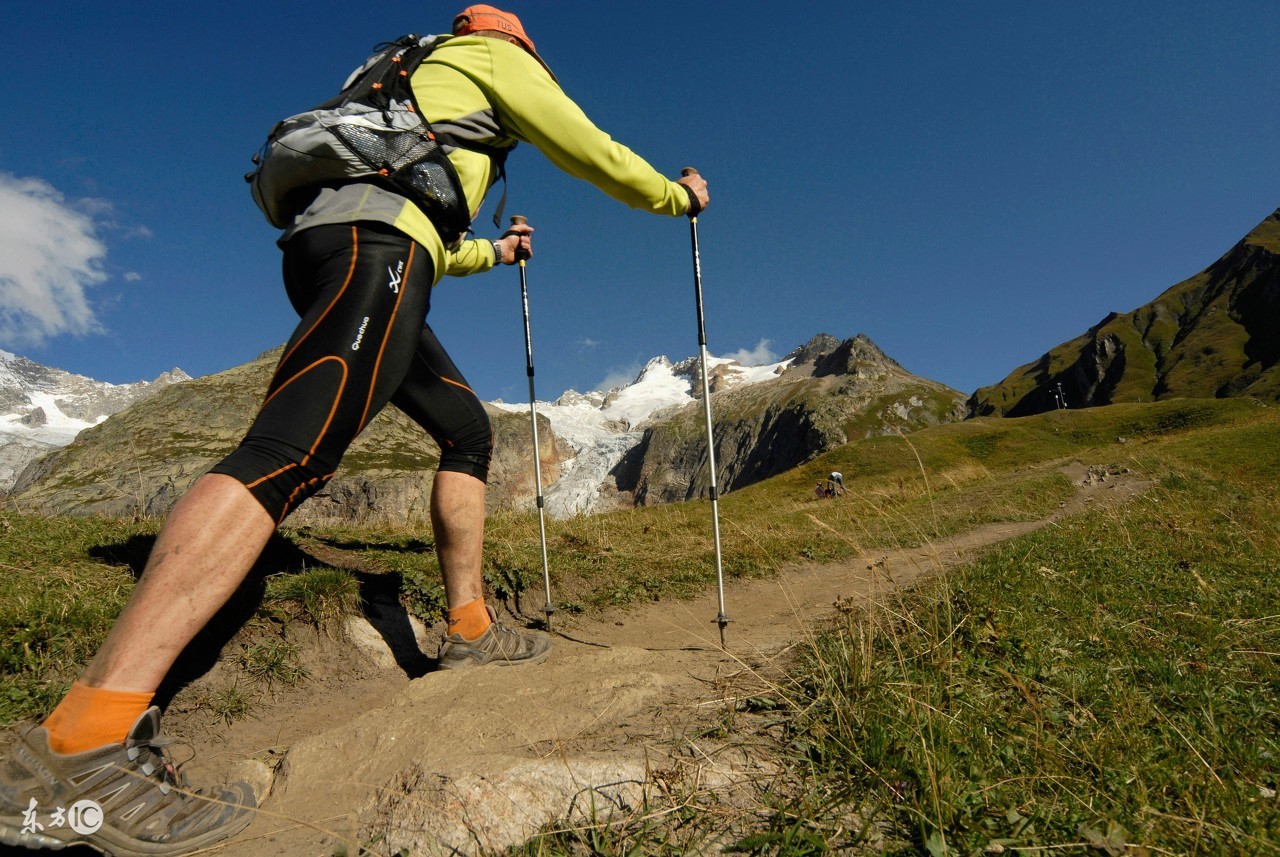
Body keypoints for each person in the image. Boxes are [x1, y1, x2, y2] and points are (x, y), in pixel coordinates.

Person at [0, 7, 710, 855]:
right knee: (287, 453)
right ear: (517, 43)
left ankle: (470, 628)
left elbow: (428, 227)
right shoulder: (494, 57)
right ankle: (82, 740)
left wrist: (495, 255)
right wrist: (676, 196)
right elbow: (588, 147)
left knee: (465, 430)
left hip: (353, 244)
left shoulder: (410, 77)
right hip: (378, 248)